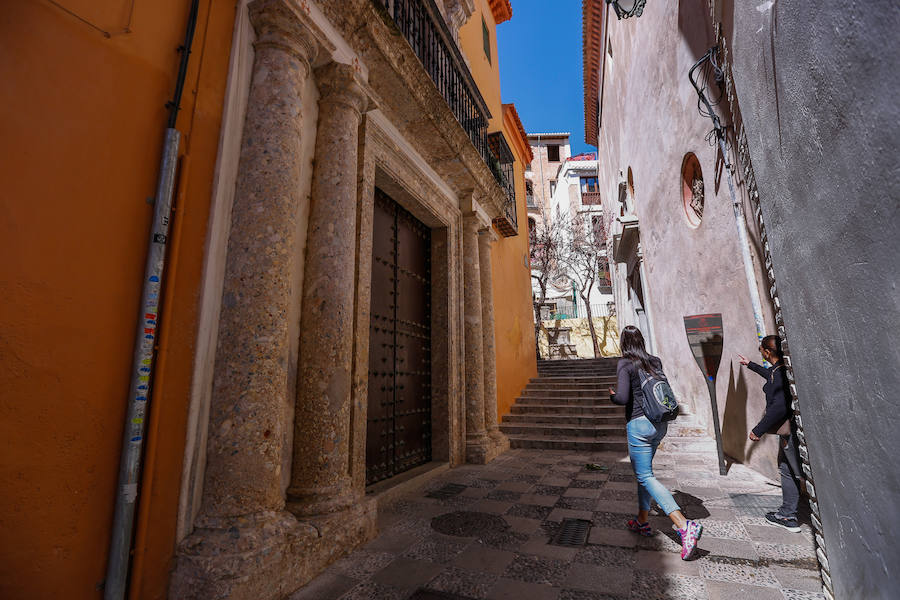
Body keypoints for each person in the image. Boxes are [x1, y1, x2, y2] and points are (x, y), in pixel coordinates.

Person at [608, 325, 703, 560]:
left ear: (623, 343)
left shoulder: (625, 363)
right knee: (645, 474)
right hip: (659, 424)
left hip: (639, 425)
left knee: (645, 476)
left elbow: (622, 398)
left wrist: (611, 395)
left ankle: (683, 525)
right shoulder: (655, 361)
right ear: (641, 341)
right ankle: (642, 521)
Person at [738, 335, 803, 532]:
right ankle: (786, 513)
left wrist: (758, 430)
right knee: (786, 469)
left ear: (767, 352)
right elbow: (769, 375)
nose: (762, 354)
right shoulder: (780, 370)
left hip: (788, 432)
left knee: (795, 472)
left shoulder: (779, 374)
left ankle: (789, 515)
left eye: (762, 351)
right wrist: (750, 365)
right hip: (787, 433)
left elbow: (778, 408)